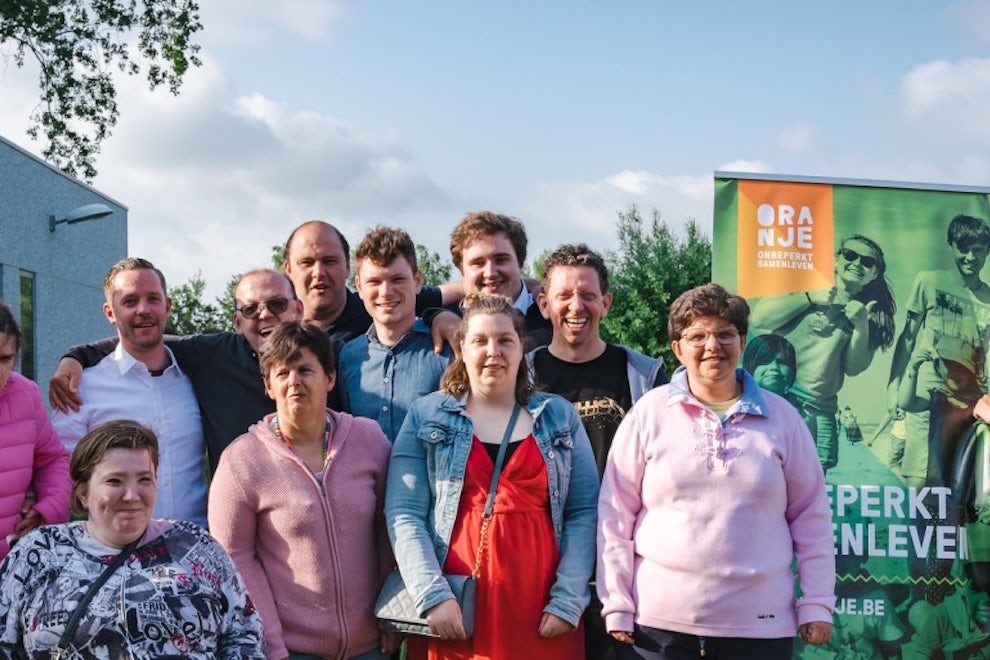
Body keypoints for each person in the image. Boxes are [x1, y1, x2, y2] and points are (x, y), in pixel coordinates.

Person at [597, 283, 835, 659]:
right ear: (677, 348)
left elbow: (812, 518)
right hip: (657, 627)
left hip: (760, 626)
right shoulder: (647, 414)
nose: (712, 346)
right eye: (698, 336)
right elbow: (615, 517)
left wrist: (818, 602)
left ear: (742, 342)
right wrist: (616, 603)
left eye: (725, 334)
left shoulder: (784, 419)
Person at [386, 293, 598, 659]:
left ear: (521, 350)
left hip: (541, 605)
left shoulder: (559, 417)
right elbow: (404, 513)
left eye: (505, 340)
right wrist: (432, 596)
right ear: (463, 348)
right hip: (456, 606)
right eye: (480, 341)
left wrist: (567, 600)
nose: (493, 351)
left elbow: (584, 511)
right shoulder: (426, 415)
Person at [209, 321, 395, 660]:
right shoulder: (242, 460)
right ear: (268, 385)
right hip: (292, 650)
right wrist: (272, 644)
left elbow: (390, 528)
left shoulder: (369, 440)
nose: (294, 381)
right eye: (282, 373)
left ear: (330, 378)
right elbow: (234, 559)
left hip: (372, 646)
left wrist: (392, 614)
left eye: (306, 370)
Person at [0, 419, 264, 658]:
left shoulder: (195, 546)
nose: (132, 495)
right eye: (115, 481)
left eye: (144, 479)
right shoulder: (38, 552)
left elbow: (243, 636)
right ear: (83, 493)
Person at [528, 244, 666, 660]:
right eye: (564, 295)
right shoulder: (522, 377)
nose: (576, 306)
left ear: (605, 303)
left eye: (588, 295)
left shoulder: (645, 376)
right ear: (543, 303)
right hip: (545, 572)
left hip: (626, 576)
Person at [50, 268, 304, 472]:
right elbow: (58, 466)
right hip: (236, 523)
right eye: (250, 309)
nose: (265, 314)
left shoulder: (328, 356)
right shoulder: (213, 356)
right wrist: (75, 356)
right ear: (237, 321)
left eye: (278, 304)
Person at [50, 257, 208, 527]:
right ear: (110, 313)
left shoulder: (198, 379)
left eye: (153, 299)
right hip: (118, 552)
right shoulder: (82, 386)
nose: (143, 310)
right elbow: (59, 469)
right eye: (130, 301)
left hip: (195, 547)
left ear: (167, 306)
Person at [751, 234, 896, 473]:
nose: (857, 264)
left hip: (820, 411)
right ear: (837, 259)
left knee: (813, 493)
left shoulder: (872, 315)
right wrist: (809, 297)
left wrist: (861, 326)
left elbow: (853, 367)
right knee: (763, 478)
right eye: (850, 255)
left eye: (867, 262)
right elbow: (760, 319)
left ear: (875, 274)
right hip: (773, 401)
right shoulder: (804, 282)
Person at [890, 215, 990, 487]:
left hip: (969, 401)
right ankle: (915, 529)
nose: (970, 257)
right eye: (963, 248)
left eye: (978, 250)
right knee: (920, 480)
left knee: (959, 486)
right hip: (928, 393)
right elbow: (908, 338)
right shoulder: (929, 281)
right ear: (951, 245)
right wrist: (894, 388)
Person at [338, 226, 453, 442]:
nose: (386, 292)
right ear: (359, 287)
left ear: (417, 281)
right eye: (374, 282)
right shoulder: (348, 358)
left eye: (397, 279)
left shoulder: (447, 349)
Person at [0, 301, 70, 560]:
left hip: (13, 573)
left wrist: (49, 507)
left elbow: (52, 459)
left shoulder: (26, 395)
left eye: (5, 358)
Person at [425, 211, 553, 349]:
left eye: (501, 260)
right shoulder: (441, 323)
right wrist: (433, 315)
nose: (490, 273)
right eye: (478, 263)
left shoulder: (554, 317)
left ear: (520, 262)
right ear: (461, 270)